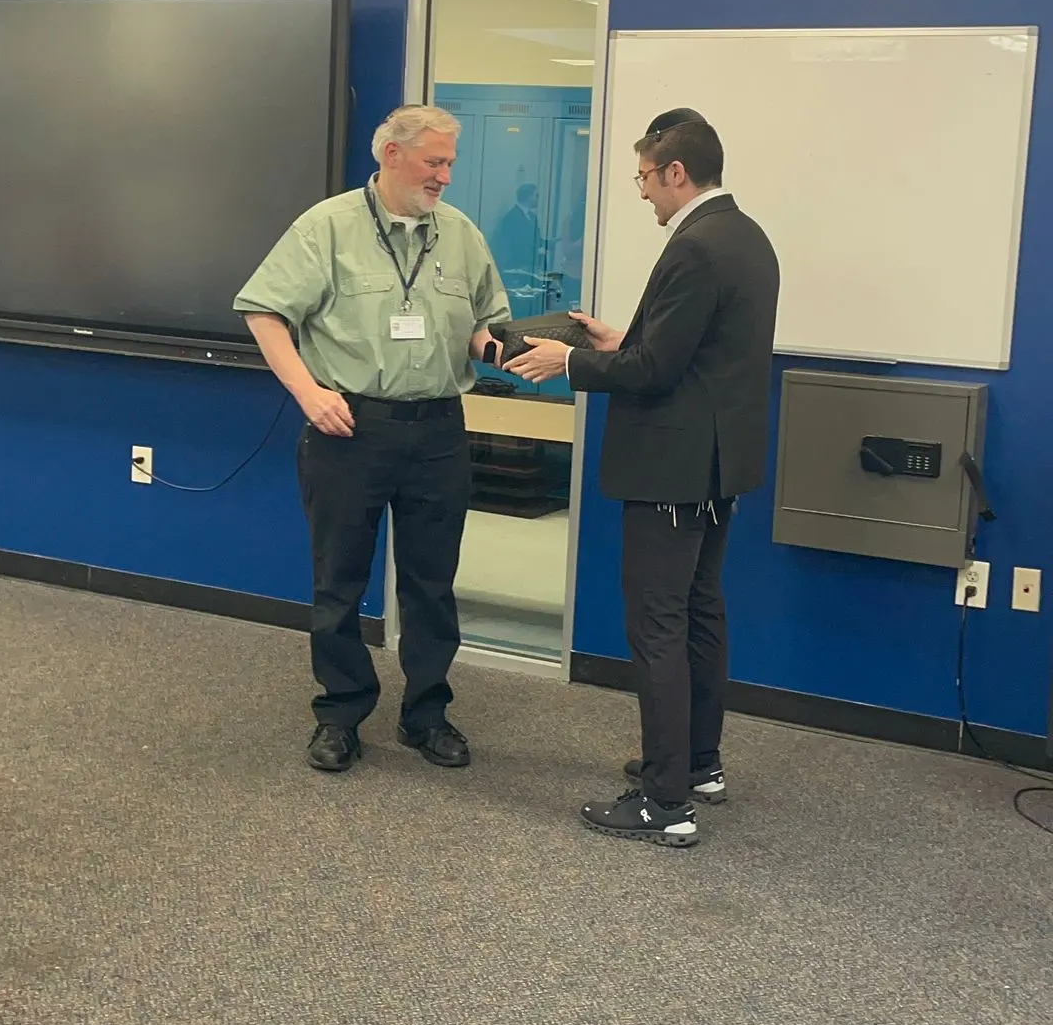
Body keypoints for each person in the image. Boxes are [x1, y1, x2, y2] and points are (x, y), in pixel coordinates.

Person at [511, 109, 779, 849]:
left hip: (673, 469)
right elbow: (693, 353)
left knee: (658, 626)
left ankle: (665, 802)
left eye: (644, 178)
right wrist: (617, 339)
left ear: (676, 172)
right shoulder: (746, 237)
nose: (641, 193)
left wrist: (570, 360)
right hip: (718, 468)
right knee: (700, 612)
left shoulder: (693, 247)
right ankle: (697, 764)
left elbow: (656, 372)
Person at [234, 104, 510, 774]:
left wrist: (510, 350)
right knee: (339, 581)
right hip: (349, 429)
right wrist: (308, 392)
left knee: (431, 584)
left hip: (438, 430)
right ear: (391, 154)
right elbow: (263, 311)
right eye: (434, 162)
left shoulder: (461, 234)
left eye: (449, 163)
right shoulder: (326, 227)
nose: (445, 176)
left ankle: (427, 715)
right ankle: (340, 713)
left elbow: (481, 325)